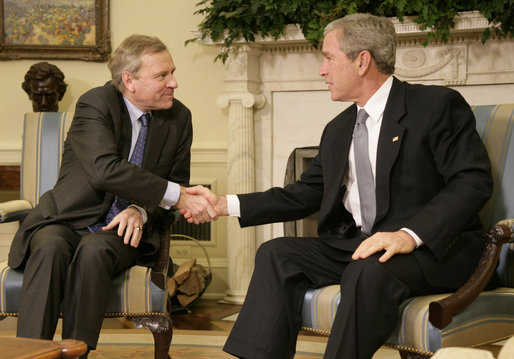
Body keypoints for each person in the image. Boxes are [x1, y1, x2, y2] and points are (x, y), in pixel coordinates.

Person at [185, 13, 493, 359]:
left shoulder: (435, 106)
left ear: (362, 61)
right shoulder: (339, 129)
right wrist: (225, 203)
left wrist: (409, 234)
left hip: (430, 250)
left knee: (368, 270)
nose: (322, 70)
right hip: (362, 246)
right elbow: (304, 193)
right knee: (276, 254)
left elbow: (472, 181)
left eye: (328, 57)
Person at [8, 34, 216, 357]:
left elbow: (175, 184)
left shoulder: (179, 118)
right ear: (129, 80)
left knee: (94, 251)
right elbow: (105, 169)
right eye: (162, 75)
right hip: (67, 217)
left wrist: (142, 210)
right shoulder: (96, 104)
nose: (174, 82)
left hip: (120, 231)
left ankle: (76, 353)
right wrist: (176, 195)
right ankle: (31, 354)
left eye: (172, 72)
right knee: (48, 248)